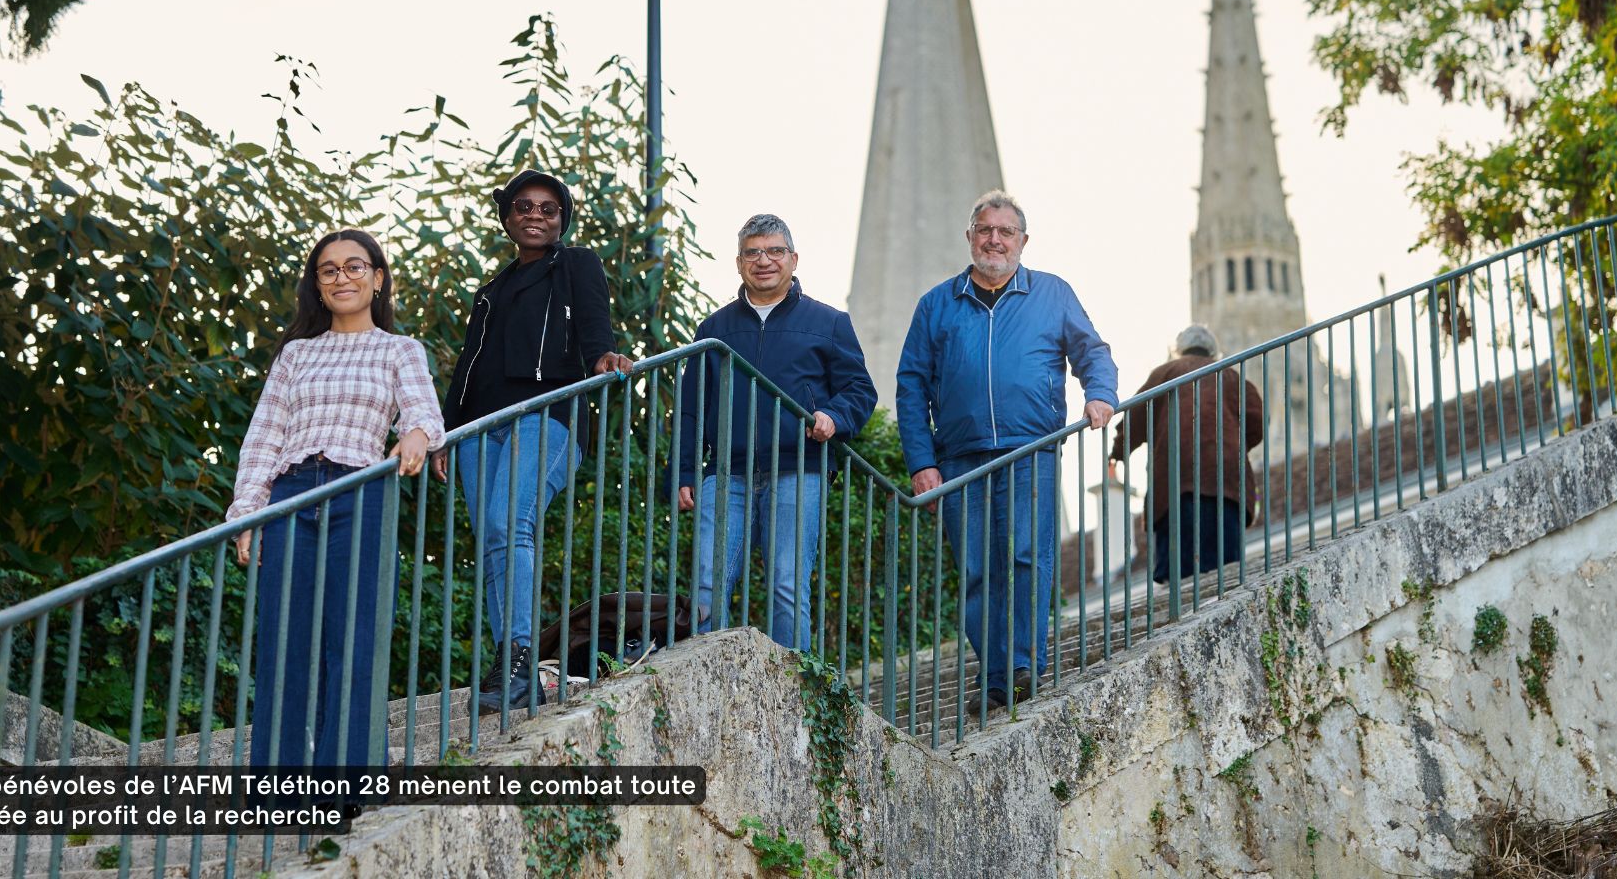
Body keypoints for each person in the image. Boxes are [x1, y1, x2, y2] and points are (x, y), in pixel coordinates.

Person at [228, 229, 446, 768]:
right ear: (317, 287)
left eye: (354, 267)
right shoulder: (296, 355)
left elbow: (424, 412)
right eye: (329, 270)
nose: (341, 277)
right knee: (284, 644)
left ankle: (340, 783)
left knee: (353, 643)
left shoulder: (400, 350)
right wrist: (247, 514)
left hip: (361, 491)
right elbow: (264, 437)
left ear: (377, 279)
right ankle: (274, 786)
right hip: (292, 496)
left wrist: (418, 435)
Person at [896, 190, 1118, 711]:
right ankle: (995, 677)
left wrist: (1100, 394)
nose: (994, 239)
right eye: (985, 229)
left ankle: (1023, 665)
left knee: (1025, 557)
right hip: (959, 457)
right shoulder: (936, 304)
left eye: (1006, 231)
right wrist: (921, 461)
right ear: (970, 236)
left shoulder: (1052, 294)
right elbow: (911, 385)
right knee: (976, 569)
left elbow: (1093, 352)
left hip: (1031, 448)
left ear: (1022, 241)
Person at [441, 169, 634, 713]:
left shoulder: (575, 264)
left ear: (561, 220)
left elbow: (596, 326)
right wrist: (443, 433)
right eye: (523, 206)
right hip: (480, 428)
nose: (535, 215)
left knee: (510, 523)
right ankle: (509, 663)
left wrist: (604, 356)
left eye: (549, 209)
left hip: (547, 413)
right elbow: (467, 368)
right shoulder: (491, 291)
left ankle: (522, 663)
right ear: (507, 217)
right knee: (492, 541)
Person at [674, 214, 876, 650]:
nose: (763, 260)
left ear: (793, 259)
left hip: (798, 468)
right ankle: (710, 683)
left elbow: (860, 390)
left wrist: (835, 416)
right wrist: (686, 471)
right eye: (753, 252)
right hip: (725, 472)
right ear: (739, 262)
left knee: (787, 586)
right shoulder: (714, 330)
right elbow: (692, 407)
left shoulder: (829, 322)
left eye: (774, 251)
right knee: (707, 583)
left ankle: (796, 693)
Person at [1110, 324, 1264, 584]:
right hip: (1226, 482)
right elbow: (1257, 422)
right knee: (1225, 569)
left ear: (1178, 350)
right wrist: (1235, 446)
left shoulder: (1165, 373)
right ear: (1213, 351)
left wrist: (1117, 453)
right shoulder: (1230, 376)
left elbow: (1134, 419)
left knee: (1179, 572)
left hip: (1176, 482)